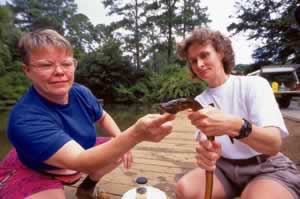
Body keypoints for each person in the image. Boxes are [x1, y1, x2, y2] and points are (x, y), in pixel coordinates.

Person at [0, 29, 175, 199]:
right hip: (38, 168)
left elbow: (103, 117)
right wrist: (135, 135)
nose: (60, 72)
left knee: (119, 147)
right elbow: (81, 160)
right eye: (46, 65)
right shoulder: (24, 120)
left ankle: (87, 186)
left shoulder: (81, 92)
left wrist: (121, 138)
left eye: (67, 63)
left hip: (79, 152)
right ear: (27, 70)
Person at [175, 27, 300, 199]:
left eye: (204, 55)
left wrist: (233, 125)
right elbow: (205, 140)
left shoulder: (254, 84)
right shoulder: (199, 100)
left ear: (220, 52)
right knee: (185, 190)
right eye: (193, 61)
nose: (199, 64)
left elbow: (273, 144)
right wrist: (207, 151)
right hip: (224, 167)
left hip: (266, 165)